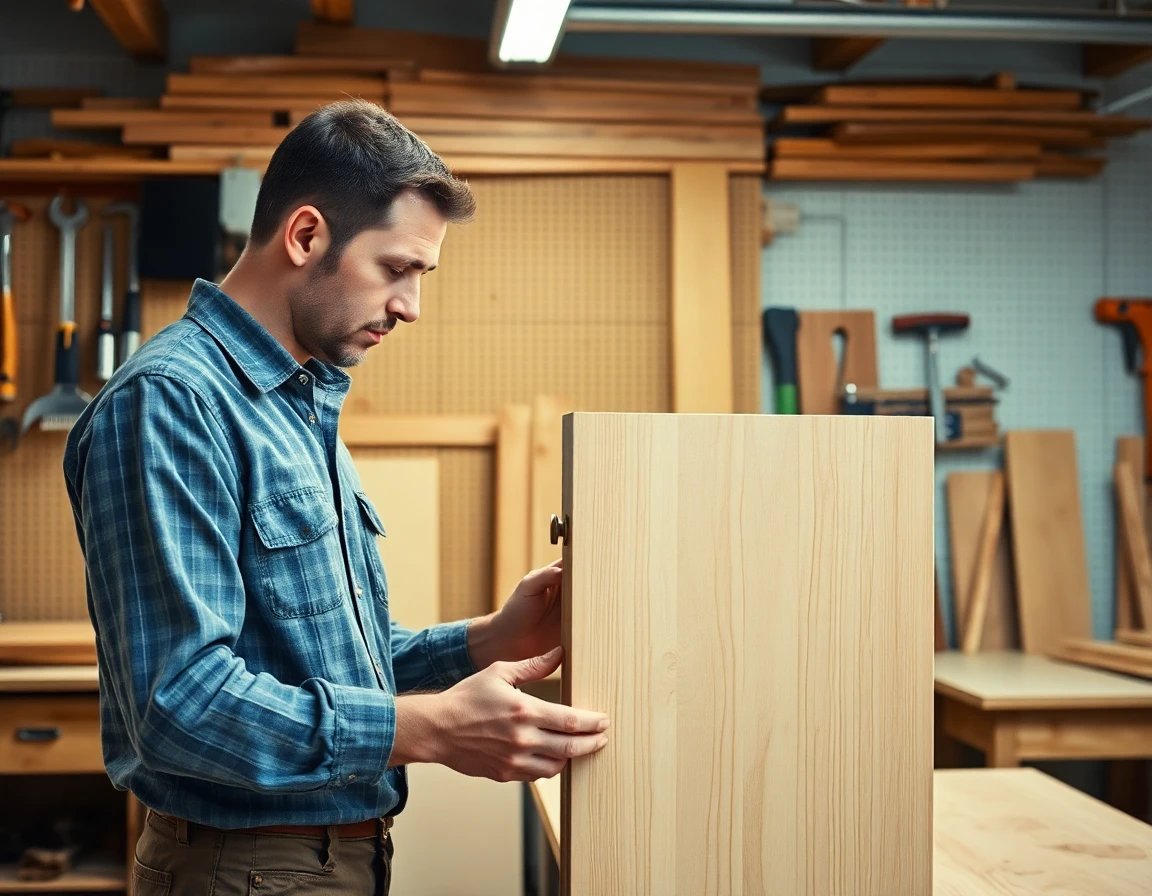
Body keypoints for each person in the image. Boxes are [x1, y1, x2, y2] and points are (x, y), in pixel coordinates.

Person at [63, 99, 610, 896]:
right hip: (243, 868)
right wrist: (430, 729)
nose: (410, 307)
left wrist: (486, 640)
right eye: (396, 269)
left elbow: (329, 665)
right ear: (307, 235)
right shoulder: (172, 404)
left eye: (421, 277)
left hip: (330, 860)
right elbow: (179, 706)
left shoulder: (295, 400)